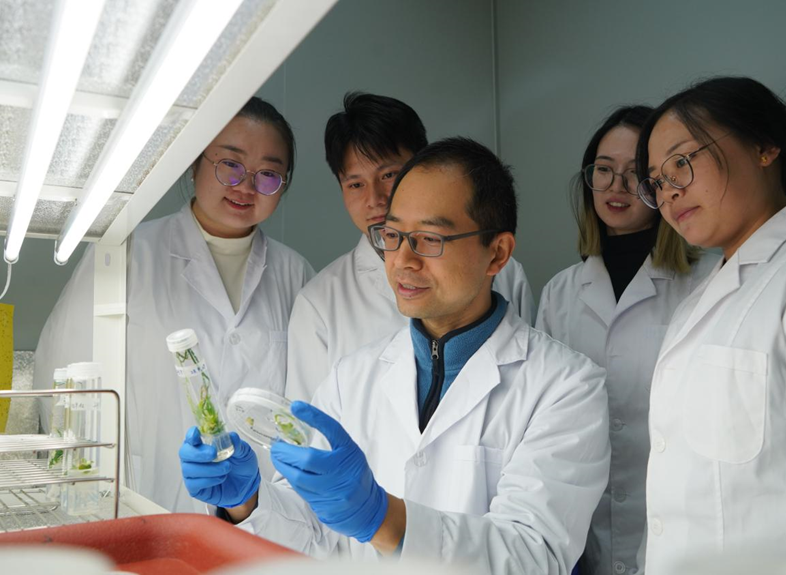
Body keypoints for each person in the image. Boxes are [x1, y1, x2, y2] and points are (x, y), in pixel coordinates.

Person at [179, 137, 611, 573]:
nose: (403, 260)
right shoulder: (352, 377)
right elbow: (314, 532)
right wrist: (248, 501)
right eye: (392, 235)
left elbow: (533, 556)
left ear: (497, 253)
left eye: (430, 239)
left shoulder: (567, 387)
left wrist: (383, 517)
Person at [33, 97, 314, 512]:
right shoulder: (125, 254)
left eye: (268, 175)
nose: (245, 186)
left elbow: (306, 407)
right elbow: (62, 376)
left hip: (260, 514)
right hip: (146, 499)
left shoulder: (296, 274)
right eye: (230, 164)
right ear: (195, 162)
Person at [633, 76, 786, 571]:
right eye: (657, 181)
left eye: (682, 162)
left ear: (764, 146)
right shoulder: (699, 301)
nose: (670, 192)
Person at [535, 106, 717, 575]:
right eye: (603, 170)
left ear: (659, 183)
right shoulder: (559, 293)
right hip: (585, 525)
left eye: (635, 173)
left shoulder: (708, 280)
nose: (616, 186)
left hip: (680, 521)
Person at [286, 92, 534, 402]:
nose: (375, 199)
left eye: (389, 175)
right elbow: (309, 422)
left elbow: (527, 373)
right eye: (355, 184)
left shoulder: (502, 270)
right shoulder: (320, 302)